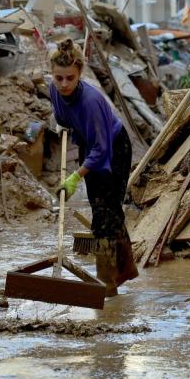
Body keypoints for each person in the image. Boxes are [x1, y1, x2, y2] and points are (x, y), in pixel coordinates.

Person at [49, 39, 138, 296]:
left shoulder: (91, 101)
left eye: (70, 78)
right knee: (103, 209)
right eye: (59, 78)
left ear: (80, 74)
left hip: (114, 148)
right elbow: (61, 115)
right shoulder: (54, 89)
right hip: (90, 143)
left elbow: (101, 150)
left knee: (105, 214)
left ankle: (107, 285)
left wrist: (76, 176)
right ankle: (124, 270)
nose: (64, 84)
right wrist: (62, 123)